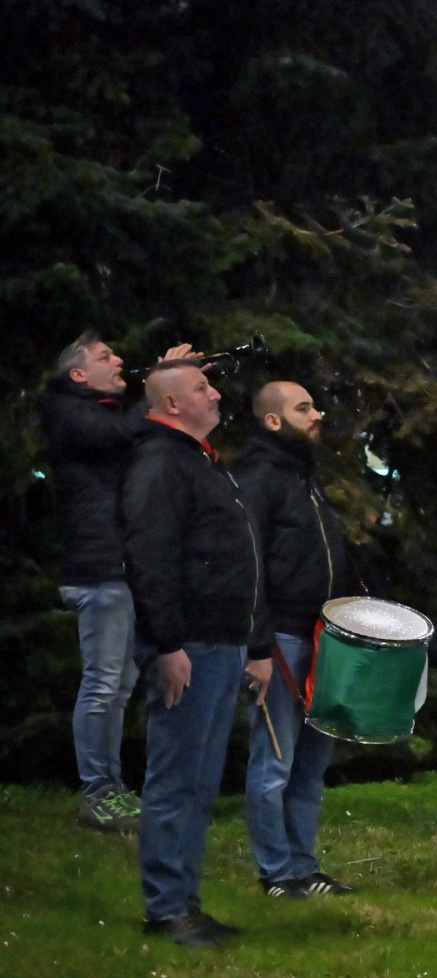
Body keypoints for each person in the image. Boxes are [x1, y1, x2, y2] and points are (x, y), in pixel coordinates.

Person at [120, 361, 273, 947]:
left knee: (199, 783)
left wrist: (254, 644)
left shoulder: (203, 464)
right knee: (176, 778)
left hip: (222, 642)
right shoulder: (160, 463)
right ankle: (166, 909)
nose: (215, 394)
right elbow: (150, 555)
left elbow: (240, 559)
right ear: (172, 404)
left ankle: (184, 900)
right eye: (201, 388)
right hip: (193, 645)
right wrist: (169, 644)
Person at [39, 333, 196, 831]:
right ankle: (99, 792)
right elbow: (119, 434)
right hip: (99, 571)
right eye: (105, 357)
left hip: (120, 569)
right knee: (105, 684)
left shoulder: (102, 410)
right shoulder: (66, 410)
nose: (120, 361)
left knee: (120, 684)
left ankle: (112, 787)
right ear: (77, 375)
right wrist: (161, 384)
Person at [235, 382, 355, 898]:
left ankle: (303, 866)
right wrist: (258, 646)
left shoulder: (307, 477)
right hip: (282, 638)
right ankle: (277, 873)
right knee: (274, 762)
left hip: (322, 636)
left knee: (309, 764)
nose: (317, 412)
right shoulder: (258, 480)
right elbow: (250, 569)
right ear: (273, 421)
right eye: (303, 407)